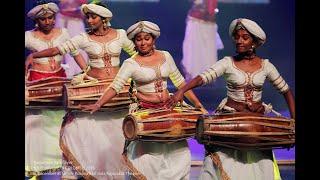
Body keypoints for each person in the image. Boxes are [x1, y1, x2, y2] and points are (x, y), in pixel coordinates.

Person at [166, 18, 295, 180]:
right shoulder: (227, 63)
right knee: (226, 161)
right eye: (237, 37)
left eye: (244, 38)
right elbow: (202, 78)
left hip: (256, 123)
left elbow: (286, 90)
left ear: (254, 42)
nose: (239, 41)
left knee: (259, 165)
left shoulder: (266, 66)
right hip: (231, 119)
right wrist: (182, 90)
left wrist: (294, 119)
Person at [81, 20, 207, 180]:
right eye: (138, 39)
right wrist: (98, 103)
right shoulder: (130, 63)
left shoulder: (165, 56)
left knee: (177, 154)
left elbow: (180, 82)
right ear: (134, 42)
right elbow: (115, 86)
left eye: (146, 38)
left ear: (153, 39)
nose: (143, 43)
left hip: (169, 109)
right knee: (149, 159)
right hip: (147, 113)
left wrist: (197, 104)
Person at [27, 2, 136, 179]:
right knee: (78, 129)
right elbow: (58, 49)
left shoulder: (120, 35)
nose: (89, 20)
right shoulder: (83, 37)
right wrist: (34, 55)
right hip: (93, 86)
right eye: (88, 17)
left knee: (116, 133)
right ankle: (84, 169)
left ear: (104, 19)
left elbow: (135, 54)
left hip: (117, 88)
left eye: (93, 17)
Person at [24, 1, 82, 178]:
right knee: (37, 124)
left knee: (59, 121)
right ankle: (35, 167)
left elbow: (75, 53)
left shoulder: (63, 33)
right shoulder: (28, 36)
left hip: (58, 80)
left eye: (51, 18)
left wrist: (86, 72)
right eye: (44, 19)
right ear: (37, 20)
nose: (48, 22)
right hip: (37, 82)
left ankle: (62, 162)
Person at [181, 0, 224, 81]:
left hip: (204, 23)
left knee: (206, 51)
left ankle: (206, 76)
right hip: (196, 22)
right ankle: (194, 76)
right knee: (194, 50)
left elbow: (211, 9)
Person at [55, 0, 89, 78]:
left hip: (76, 22)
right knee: (63, 48)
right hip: (63, 20)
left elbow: (83, 7)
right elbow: (61, 5)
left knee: (80, 48)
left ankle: (81, 74)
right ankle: (66, 75)